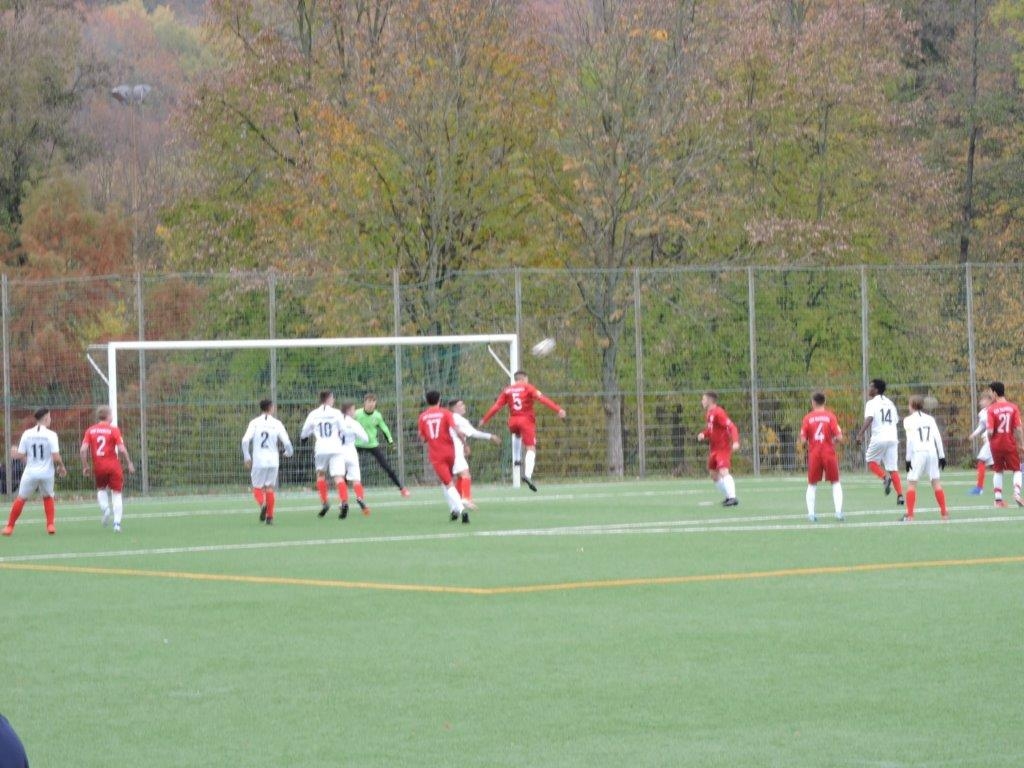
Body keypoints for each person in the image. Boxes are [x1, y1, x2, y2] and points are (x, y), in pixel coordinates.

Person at [479, 370, 565, 491]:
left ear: (516, 379)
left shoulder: (507, 390)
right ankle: (528, 475)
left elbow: (496, 406)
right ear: (524, 379)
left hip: (513, 421)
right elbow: (542, 399)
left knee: (517, 434)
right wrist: (558, 409)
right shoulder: (528, 387)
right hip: (526, 421)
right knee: (531, 448)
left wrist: (484, 419)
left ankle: (517, 460)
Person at [300, 391, 369, 519]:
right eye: (332, 398)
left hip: (321, 448)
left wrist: (304, 438)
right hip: (336, 448)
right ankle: (344, 501)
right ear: (329, 399)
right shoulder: (336, 413)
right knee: (339, 477)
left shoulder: (313, 414)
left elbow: (304, 432)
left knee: (320, 475)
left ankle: (325, 502)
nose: (334, 400)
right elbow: (343, 430)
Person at [3, 408, 68, 536]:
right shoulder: (51, 435)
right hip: (47, 473)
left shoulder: (27, 434)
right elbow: (56, 457)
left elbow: (21, 454)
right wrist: (61, 466)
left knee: (21, 498)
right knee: (48, 496)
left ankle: (9, 527)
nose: (50, 419)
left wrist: (14, 452)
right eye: (49, 417)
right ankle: (50, 525)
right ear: (46, 418)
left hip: (30, 473)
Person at [80, 405, 135, 533]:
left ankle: (105, 509)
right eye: (111, 414)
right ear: (108, 416)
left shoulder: (90, 430)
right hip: (113, 466)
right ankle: (117, 524)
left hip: (99, 467)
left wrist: (85, 465)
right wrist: (129, 462)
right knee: (117, 493)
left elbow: (83, 450)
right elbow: (121, 449)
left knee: (101, 489)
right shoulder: (114, 430)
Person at [419, 391, 469, 523]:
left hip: (437, 455)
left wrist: (430, 438)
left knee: (448, 483)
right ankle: (453, 509)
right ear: (439, 400)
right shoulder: (446, 413)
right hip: (450, 452)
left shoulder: (423, 417)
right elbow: (457, 430)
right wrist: (465, 444)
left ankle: (461, 509)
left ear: (426, 401)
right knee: (447, 481)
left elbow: (423, 438)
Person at [241, 398, 294, 525]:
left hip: (259, 460)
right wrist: (288, 453)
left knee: (257, 487)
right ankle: (270, 517)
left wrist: (247, 457)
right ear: (271, 408)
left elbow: (245, 440)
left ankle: (263, 504)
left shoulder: (254, 423)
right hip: (273, 460)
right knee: (270, 487)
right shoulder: (277, 423)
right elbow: (287, 443)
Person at [855, 378, 904, 506]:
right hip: (892, 438)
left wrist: (860, 434)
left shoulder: (871, 403)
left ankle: (884, 478)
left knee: (870, 461)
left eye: (871, 386)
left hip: (879, 437)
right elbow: (896, 420)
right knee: (893, 468)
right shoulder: (890, 403)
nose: (868, 389)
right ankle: (900, 495)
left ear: (876, 390)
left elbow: (869, 418)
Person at [902, 395, 949, 522]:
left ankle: (910, 515)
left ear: (911, 405)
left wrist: (908, 459)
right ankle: (944, 513)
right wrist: (942, 456)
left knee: (911, 483)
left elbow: (910, 441)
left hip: (918, 453)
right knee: (936, 482)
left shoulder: (908, 420)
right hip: (932, 452)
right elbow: (937, 437)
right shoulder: (930, 419)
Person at [799, 392, 844, 522]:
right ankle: (838, 512)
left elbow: (803, 440)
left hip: (814, 454)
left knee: (812, 484)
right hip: (829, 453)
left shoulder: (807, 418)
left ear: (813, 402)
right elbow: (839, 437)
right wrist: (832, 441)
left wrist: (809, 443)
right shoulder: (830, 417)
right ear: (824, 402)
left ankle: (811, 514)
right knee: (835, 482)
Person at [354, 393, 410, 498]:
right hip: (357, 444)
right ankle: (342, 493)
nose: (371, 404)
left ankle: (402, 488)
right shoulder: (356, 414)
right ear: (364, 403)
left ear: (375, 403)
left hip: (372, 444)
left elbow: (385, 429)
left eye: (373, 401)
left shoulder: (377, 416)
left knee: (387, 467)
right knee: (348, 467)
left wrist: (391, 443)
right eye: (369, 401)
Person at [448, 398, 500, 508]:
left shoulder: (448, 417)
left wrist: (465, 445)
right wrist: (490, 436)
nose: (464, 406)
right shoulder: (459, 419)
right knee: (465, 474)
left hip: (448, 451)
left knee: (460, 475)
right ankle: (466, 499)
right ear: (453, 408)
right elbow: (474, 433)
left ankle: (458, 501)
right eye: (461, 405)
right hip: (455, 451)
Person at [697, 391, 740, 506]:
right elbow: (711, 430)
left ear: (709, 401)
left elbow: (732, 427)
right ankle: (728, 496)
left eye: (703, 399)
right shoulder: (709, 413)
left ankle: (732, 497)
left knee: (723, 471)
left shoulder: (719, 412)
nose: (702, 401)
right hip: (714, 449)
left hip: (722, 448)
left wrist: (735, 441)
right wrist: (703, 434)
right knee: (713, 474)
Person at [985, 381, 1024, 508]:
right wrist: (1021, 444)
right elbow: (1018, 428)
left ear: (995, 393)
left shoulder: (991, 409)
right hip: (1010, 443)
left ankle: (998, 500)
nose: (990, 395)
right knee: (1017, 469)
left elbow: (990, 431)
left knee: (998, 470)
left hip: (996, 445)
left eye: (990, 392)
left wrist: (990, 440)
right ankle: (1017, 493)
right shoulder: (1013, 407)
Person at [336, 402, 372, 516]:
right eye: (353, 410)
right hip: (351, 451)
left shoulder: (336, 422)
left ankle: (343, 501)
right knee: (356, 479)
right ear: (348, 411)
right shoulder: (354, 423)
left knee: (340, 478)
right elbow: (366, 439)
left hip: (338, 452)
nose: (355, 412)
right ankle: (360, 497)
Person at [967, 392, 994, 495]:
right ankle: (979, 488)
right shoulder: (982, 413)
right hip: (989, 440)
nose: (980, 402)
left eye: (983, 400)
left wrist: (989, 434)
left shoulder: (995, 410)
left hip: (993, 439)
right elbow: (982, 426)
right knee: (993, 464)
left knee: (982, 460)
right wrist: (974, 434)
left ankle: (979, 488)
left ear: (990, 400)